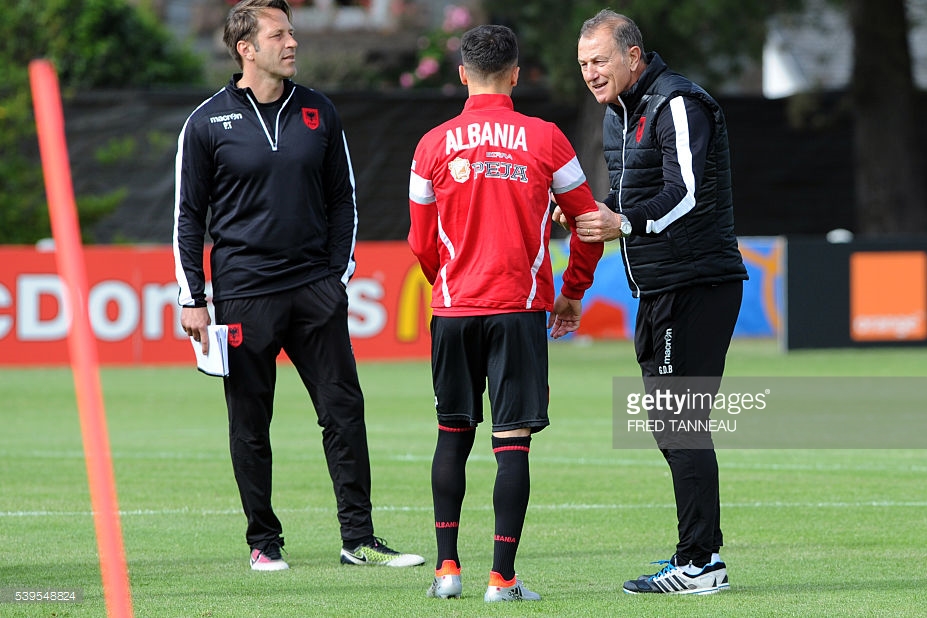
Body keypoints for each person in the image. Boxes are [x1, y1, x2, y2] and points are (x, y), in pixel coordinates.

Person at [173, 0, 423, 572]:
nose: (292, 43)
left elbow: (344, 200)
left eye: (292, 32)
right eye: (278, 35)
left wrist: (337, 277)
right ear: (245, 48)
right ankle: (264, 542)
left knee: (344, 411)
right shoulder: (206, 122)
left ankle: (359, 539)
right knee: (249, 423)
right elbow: (188, 217)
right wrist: (192, 297)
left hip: (314, 289)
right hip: (242, 294)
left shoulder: (319, 110)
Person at [408, 24, 604, 602]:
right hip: (518, 309)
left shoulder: (432, 143)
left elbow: (419, 241)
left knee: (452, 435)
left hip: (455, 308)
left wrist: (448, 284)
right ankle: (502, 579)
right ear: (516, 75)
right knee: (511, 442)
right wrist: (573, 290)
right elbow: (587, 222)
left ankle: (447, 572)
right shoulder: (546, 138)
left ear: (462, 74)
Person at [558, 9, 749, 595]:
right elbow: (634, 195)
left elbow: (684, 194)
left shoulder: (677, 103)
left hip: (696, 283)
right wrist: (599, 217)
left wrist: (623, 222)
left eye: (600, 60)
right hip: (662, 286)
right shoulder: (621, 112)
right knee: (673, 424)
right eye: (583, 64)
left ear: (633, 56)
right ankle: (701, 557)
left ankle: (700, 562)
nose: (591, 73)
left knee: (680, 423)